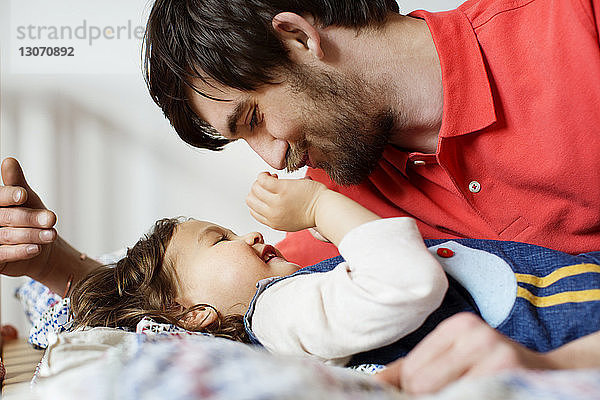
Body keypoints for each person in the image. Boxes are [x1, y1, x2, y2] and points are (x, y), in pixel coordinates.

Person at [1, 0, 600, 392]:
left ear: (298, 36)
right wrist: (56, 263)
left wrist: (556, 368)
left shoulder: (575, 28)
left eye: (255, 117)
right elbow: (196, 311)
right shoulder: (340, 206)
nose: (272, 159)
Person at [70, 172, 600, 375]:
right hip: (562, 315)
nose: (250, 236)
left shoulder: (300, 299)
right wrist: (322, 207)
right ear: (195, 314)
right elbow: (407, 282)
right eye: (221, 241)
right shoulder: (274, 314)